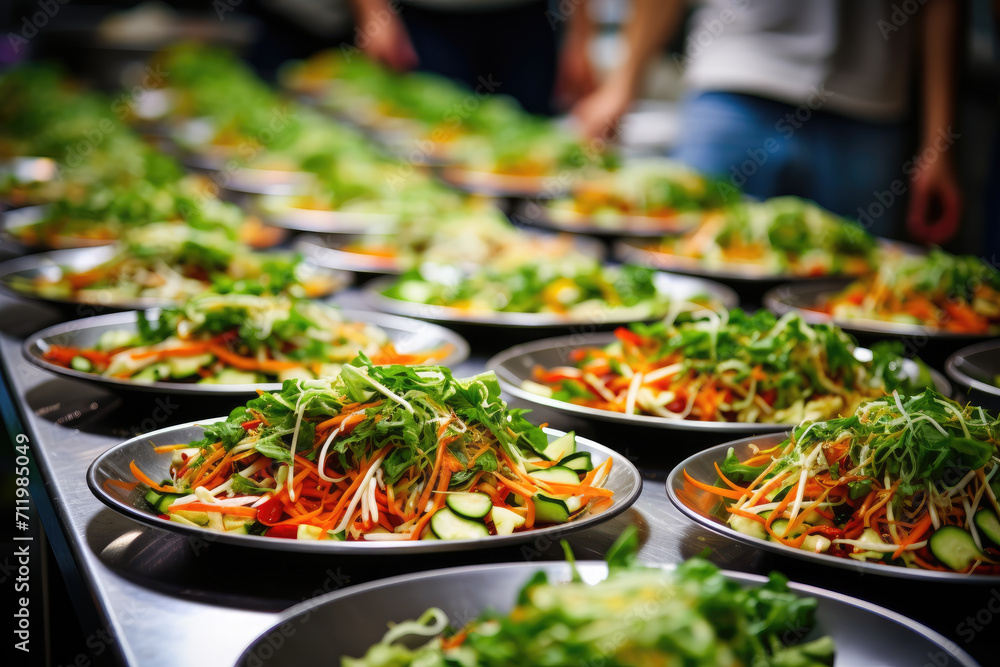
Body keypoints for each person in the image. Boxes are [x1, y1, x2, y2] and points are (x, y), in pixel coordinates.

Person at [572, 0, 962, 244]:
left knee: (852, 293)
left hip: (871, 107)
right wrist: (622, 84)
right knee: (695, 277)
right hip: (735, 89)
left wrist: (938, 143)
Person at [348, 0, 598, 116]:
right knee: (432, 143)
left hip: (528, 23)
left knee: (527, 148)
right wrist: (373, 10)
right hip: (427, 21)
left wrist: (580, 36)